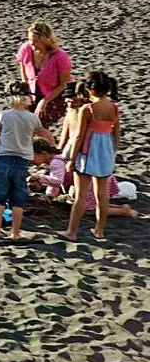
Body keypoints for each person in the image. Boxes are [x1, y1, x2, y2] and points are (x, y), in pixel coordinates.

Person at [0, 82, 56, 240]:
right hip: (22, 161)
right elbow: (44, 133)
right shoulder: (32, 118)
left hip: (3, 158)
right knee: (18, 198)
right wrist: (52, 147)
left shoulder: (4, 115)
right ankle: (15, 232)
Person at [62, 71, 122, 242]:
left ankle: (72, 231)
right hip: (105, 151)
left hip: (88, 152)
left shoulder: (87, 109)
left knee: (80, 195)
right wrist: (112, 151)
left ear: (89, 89)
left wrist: (71, 159)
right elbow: (117, 133)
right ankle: (99, 230)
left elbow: (78, 136)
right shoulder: (114, 108)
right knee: (102, 194)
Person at [15, 20, 73, 128]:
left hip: (56, 95)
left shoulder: (60, 56)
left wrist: (45, 101)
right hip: (32, 93)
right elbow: (24, 76)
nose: (31, 44)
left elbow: (64, 84)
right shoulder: (26, 49)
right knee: (20, 119)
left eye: (35, 41)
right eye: (30, 40)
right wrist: (26, 96)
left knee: (38, 123)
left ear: (46, 41)